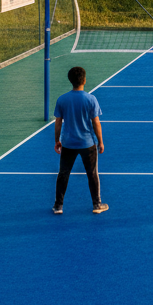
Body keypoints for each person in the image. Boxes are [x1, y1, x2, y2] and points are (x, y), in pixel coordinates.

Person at [53, 66, 108, 215]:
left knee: (63, 174)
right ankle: (97, 204)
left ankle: (58, 206)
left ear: (70, 80)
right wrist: (100, 142)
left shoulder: (62, 99)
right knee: (92, 174)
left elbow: (58, 122)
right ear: (84, 80)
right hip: (87, 143)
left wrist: (57, 140)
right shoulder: (91, 99)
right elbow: (96, 122)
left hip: (68, 143)